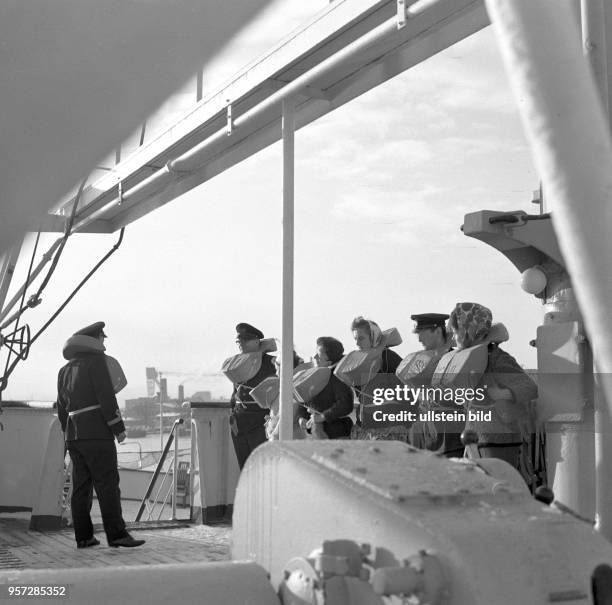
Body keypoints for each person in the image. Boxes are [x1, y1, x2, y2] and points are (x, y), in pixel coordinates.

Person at [56, 321, 144, 548]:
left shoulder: (64, 371)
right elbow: (106, 397)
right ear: (94, 340)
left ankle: (84, 537)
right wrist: (118, 427)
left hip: (74, 435)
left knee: (81, 487)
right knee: (107, 484)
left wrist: (67, 437)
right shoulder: (96, 363)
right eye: (102, 337)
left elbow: (62, 409)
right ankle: (117, 535)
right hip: (96, 432)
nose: (104, 341)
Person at [449, 302, 537, 466]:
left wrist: (503, 393)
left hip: (499, 442)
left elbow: (529, 387)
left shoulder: (496, 357)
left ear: (469, 330)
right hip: (475, 439)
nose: (453, 337)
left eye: (456, 331)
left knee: (499, 487)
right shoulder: (469, 358)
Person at [349, 316, 406, 441]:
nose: (357, 343)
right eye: (355, 339)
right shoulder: (357, 363)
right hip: (365, 428)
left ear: (374, 337)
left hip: (388, 430)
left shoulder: (388, 357)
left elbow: (408, 391)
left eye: (361, 338)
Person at [229, 322, 277, 469]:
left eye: (245, 340)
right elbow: (235, 394)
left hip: (260, 424)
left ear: (257, 341)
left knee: (262, 470)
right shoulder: (238, 364)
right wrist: (232, 416)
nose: (240, 344)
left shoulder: (272, 363)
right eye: (239, 341)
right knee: (245, 469)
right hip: (239, 425)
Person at [296, 337, 354, 439]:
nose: (314, 357)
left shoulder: (338, 378)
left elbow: (346, 404)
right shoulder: (312, 375)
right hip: (314, 434)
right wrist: (302, 417)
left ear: (328, 362)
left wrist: (323, 417)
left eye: (318, 355)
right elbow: (302, 400)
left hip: (336, 436)